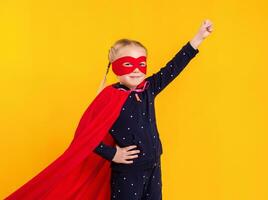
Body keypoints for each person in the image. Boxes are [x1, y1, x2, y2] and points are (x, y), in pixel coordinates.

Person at [4, 19, 213, 200]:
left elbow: (172, 68)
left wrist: (198, 38)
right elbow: (86, 135)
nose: (137, 70)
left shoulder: (149, 88)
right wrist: (113, 153)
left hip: (154, 166)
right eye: (128, 64)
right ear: (115, 67)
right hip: (128, 172)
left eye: (141, 63)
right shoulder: (109, 97)